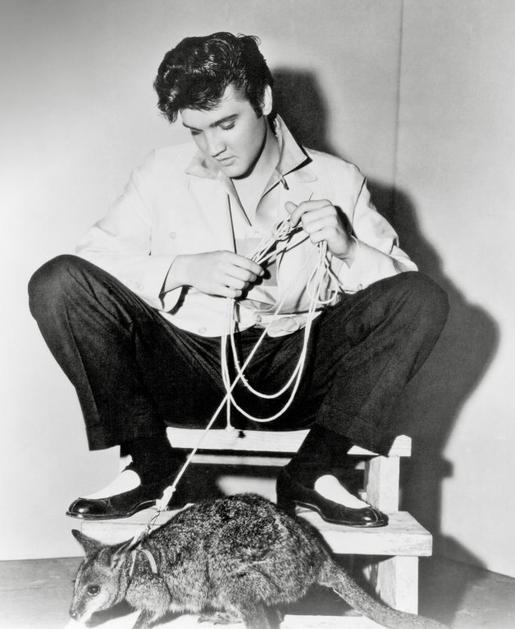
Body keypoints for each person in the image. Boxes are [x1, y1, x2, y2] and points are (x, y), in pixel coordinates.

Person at [28, 32, 448, 526]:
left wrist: (349, 249)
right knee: (57, 283)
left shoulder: (337, 179)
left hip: (296, 369)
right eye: (196, 131)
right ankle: (149, 463)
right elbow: (92, 260)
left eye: (227, 124)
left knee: (421, 298)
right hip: (188, 369)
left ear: (264, 100)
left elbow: (402, 289)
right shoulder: (160, 173)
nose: (214, 147)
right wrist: (183, 269)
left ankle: (315, 470)